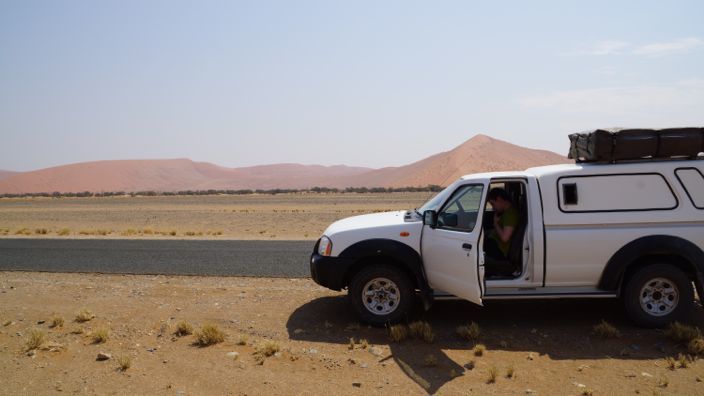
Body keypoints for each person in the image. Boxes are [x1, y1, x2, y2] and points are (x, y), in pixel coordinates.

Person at [484, 188, 520, 261]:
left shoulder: (510, 214)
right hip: (494, 243)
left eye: (493, 204)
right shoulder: (505, 212)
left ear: (499, 199)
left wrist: (495, 223)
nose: (493, 207)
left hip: (498, 249)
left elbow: (504, 238)